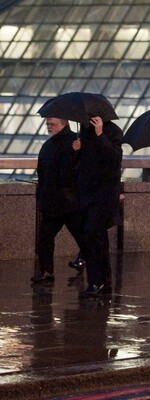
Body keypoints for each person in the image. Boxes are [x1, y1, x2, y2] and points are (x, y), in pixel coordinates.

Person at [73, 116, 123, 297]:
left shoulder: (113, 132)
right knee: (98, 239)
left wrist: (101, 135)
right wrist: (77, 151)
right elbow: (85, 163)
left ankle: (95, 282)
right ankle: (105, 282)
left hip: (104, 194)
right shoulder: (84, 131)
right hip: (87, 193)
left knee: (92, 235)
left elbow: (115, 159)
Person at [31, 118, 85, 283]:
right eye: (47, 124)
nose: (49, 127)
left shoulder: (76, 143)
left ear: (64, 124)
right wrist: (40, 195)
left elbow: (82, 170)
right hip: (52, 201)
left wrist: (78, 153)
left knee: (83, 237)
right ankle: (47, 271)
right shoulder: (48, 146)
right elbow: (42, 172)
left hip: (70, 203)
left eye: (52, 124)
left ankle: (85, 261)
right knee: (45, 239)